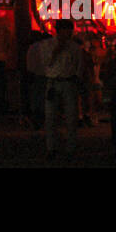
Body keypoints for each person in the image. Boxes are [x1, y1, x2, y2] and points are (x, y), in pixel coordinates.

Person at [37, 18, 86, 160]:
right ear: (58, 31)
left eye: (70, 31)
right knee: (50, 116)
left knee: (71, 117)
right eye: (66, 31)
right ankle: (51, 148)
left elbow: (79, 66)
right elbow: (45, 63)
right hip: (53, 81)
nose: (69, 34)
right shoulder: (47, 45)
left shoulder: (74, 47)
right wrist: (56, 51)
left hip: (68, 82)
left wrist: (76, 80)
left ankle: (71, 148)